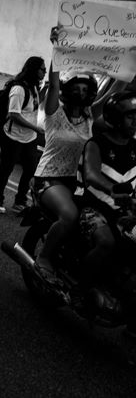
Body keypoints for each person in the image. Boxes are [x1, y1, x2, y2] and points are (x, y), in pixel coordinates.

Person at [33, 62, 97, 277]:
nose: (81, 93)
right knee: (70, 215)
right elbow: (52, 85)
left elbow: (116, 90)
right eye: (77, 88)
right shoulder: (55, 114)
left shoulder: (90, 117)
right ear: (68, 90)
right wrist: (57, 50)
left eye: (85, 89)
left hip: (78, 181)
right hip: (49, 177)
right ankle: (44, 256)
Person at [75, 91, 136, 296]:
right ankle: (81, 291)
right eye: (130, 116)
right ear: (117, 119)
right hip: (92, 206)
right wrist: (111, 190)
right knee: (106, 242)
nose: (135, 121)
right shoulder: (96, 143)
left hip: (123, 211)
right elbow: (91, 175)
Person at [0, 56, 46, 214]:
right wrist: (36, 129)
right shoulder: (19, 89)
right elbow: (14, 114)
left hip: (28, 138)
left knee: (30, 169)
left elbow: (34, 105)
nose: (44, 72)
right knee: (6, 168)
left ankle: (20, 201)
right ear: (34, 70)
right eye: (42, 69)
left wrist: (44, 91)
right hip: (12, 136)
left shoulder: (33, 87)